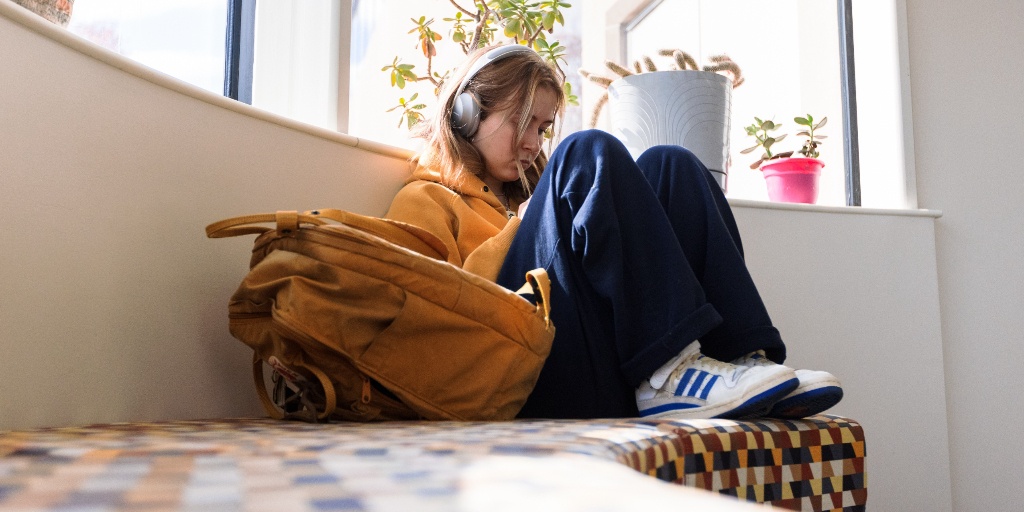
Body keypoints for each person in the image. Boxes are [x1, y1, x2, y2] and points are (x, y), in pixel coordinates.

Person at [385, 43, 843, 420]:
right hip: (520, 377)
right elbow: (433, 325)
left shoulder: (537, 194)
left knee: (673, 164)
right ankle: (668, 372)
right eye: (523, 123)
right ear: (468, 114)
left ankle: (742, 364)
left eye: (542, 128)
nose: (534, 144)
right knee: (586, 151)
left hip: (601, 368)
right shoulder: (425, 199)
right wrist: (520, 228)